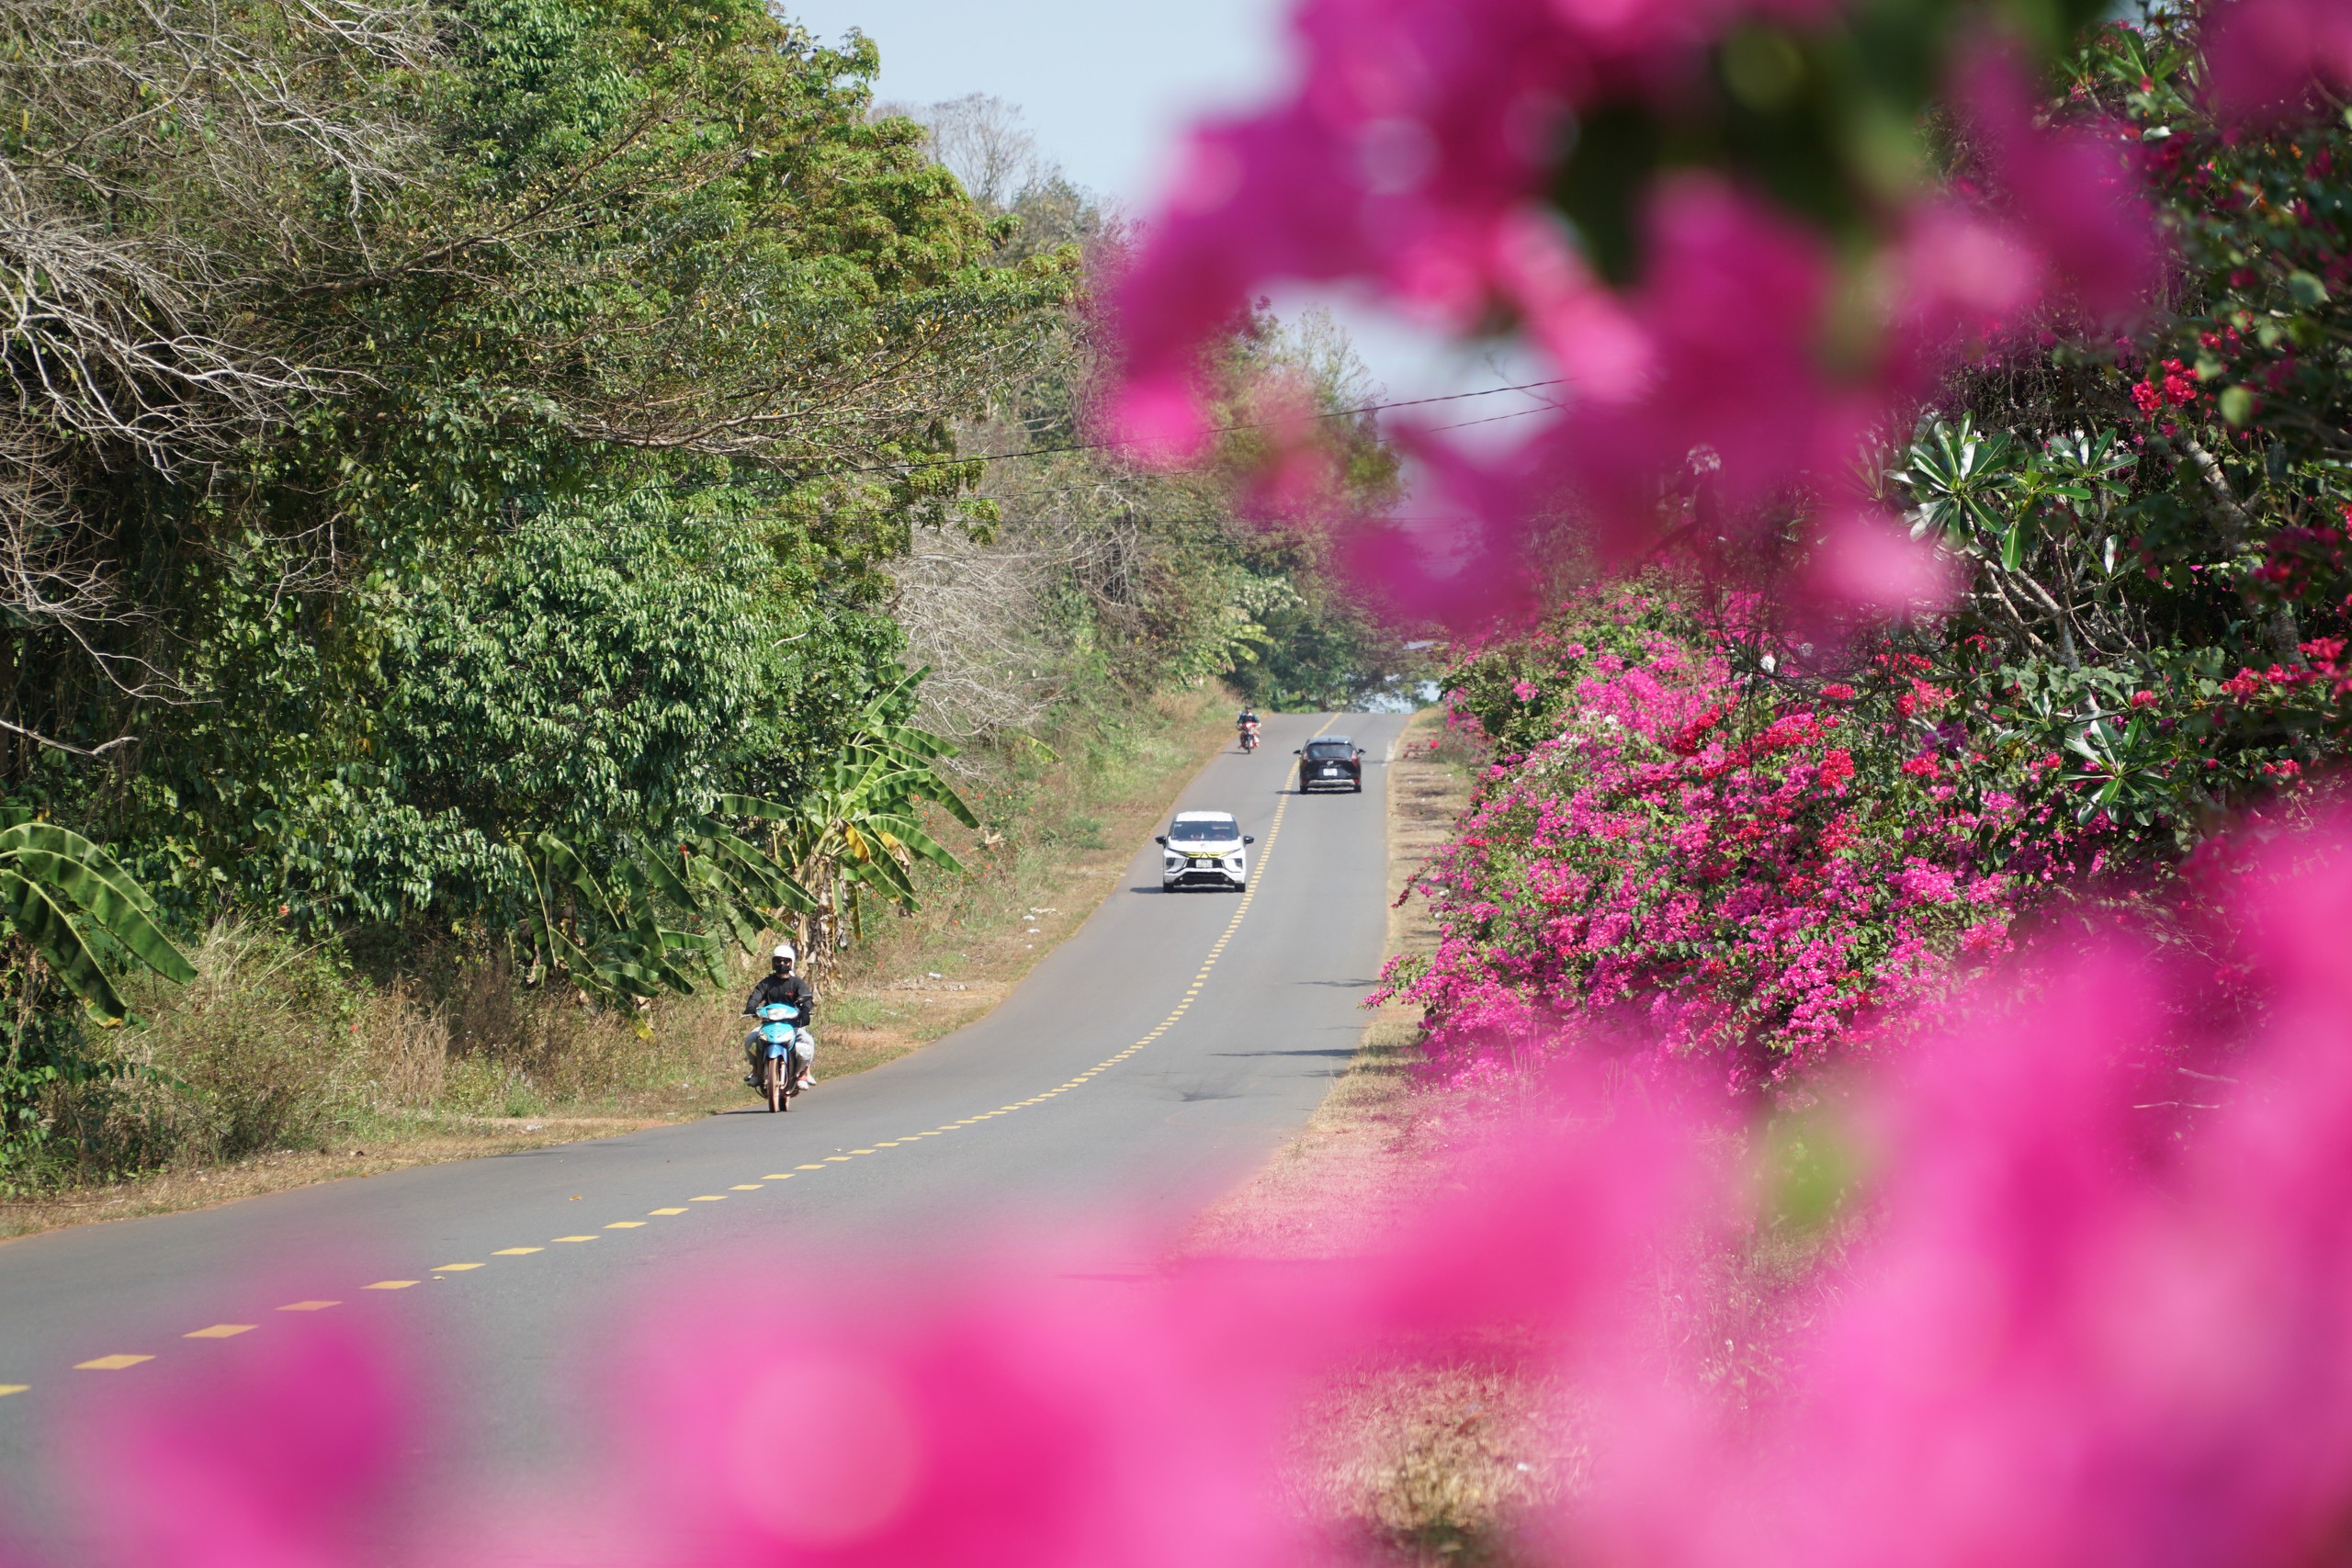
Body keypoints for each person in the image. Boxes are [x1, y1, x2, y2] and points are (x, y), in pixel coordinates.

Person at [742, 943, 818, 1089]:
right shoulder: (766, 983)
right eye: (778, 960)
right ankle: (756, 1069)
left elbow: (806, 997)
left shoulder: (796, 983)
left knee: (808, 1041)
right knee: (750, 1040)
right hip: (768, 1025)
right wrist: (751, 1007)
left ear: (791, 963)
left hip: (792, 1026)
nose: (781, 964)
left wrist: (805, 1010)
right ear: (773, 962)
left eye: (785, 961)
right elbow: (756, 995)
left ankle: (804, 1073)